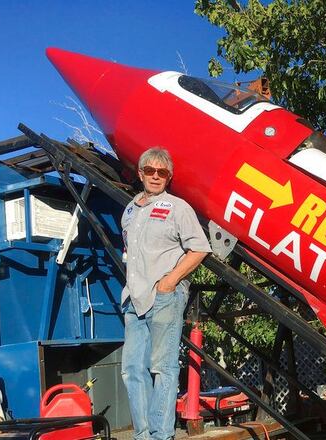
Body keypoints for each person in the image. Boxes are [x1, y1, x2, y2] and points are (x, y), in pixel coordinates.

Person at [120, 147, 211, 440]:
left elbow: (200, 248)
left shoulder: (178, 208)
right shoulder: (130, 210)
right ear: (140, 173)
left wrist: (170, 282)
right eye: (150, 171)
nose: (156, 176)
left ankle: (161, 435)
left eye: (162, 172)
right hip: (134, 300)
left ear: (169, 177)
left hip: (164, 298)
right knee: (132, 369)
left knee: (163, 368)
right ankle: (143, 435)